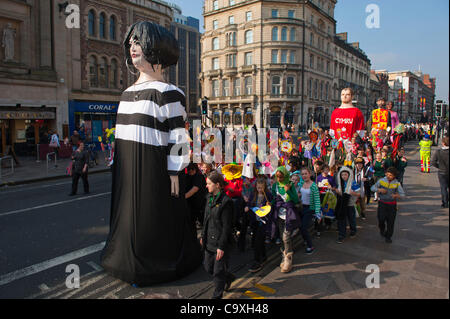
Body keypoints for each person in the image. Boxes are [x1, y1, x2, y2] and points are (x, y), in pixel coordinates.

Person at [101, 21, 202, 286]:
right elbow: (122, 135)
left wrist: (175, 171)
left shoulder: (170, 93)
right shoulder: (125, 93)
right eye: (131, 42)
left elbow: (179, 136)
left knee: (154, 215)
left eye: (139, 41)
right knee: (130, 215)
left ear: (156, 49)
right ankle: (127, 258)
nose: (133, 47)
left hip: (154, 166)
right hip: (128, 165)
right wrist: (118, 163)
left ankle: (159, 263)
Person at [201, 170, 236, 299]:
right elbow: (206, 219)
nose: (206, 186)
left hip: (221, 243)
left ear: (217, 185)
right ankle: (229, 277)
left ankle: (217, 296)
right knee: (208, 268)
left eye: (209, 183)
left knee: (217, 272)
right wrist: (203, 236)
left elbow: (227, 227)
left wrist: (221, 246)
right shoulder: (209, 198)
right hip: (209, 241)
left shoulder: (226, 202)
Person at [271, 166, 301, 273]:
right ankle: (284, 256)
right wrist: (270, 203)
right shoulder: (275, 186)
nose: (279, 179)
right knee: (281, 236)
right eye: (277, 177)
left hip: (288, 214)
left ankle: (288, 259)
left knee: (285, 237)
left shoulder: (290, 185)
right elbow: (274, 198)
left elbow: (296, 199)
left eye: (281, 177)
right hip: (279, 215)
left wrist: (288, 191)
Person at [371, 167, 406, 243]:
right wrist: (379, 190)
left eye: (390, 175)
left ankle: (388, 236)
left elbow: (403, 195)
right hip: (382, 203)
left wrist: (396, 196)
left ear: (394, 176)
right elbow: (372, 188)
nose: (388, 176)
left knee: (391, 222)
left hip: (392, 205)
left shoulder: (397, 183)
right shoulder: (381, 181)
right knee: (381, 219)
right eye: (388, 174)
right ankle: (382, 228)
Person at [245, 178, 273, 273]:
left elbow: (272, 205)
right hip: (255, 221)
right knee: (258, 241)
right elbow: (249, 203)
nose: (259, 189)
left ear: (265, 187)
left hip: (263, 222)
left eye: (261, 188)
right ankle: (264, 256)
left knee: (258, 241)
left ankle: (257, 261)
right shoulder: (254, 194)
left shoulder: (268, 195)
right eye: (258, 187)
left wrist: (269, 205)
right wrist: (247, 207)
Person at [298, 167, 321, 253]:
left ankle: (310, 246)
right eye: (302, 174)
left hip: (309, 209)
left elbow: (317, 200)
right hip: (301, 208)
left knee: (304, 227)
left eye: (306, 174)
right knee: (300, 227)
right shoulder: (301, 184)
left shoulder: (314, 186)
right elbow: (299, 193)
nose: (304, 176)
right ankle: (305, 240)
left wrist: (318, 213)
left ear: (310, 174)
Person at [335, 166, 360, 243]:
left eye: (345, 174)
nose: (344, 176)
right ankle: (341, 234)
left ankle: (353, 230)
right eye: (342, 175)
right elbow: (338, 191)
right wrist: (338, 192)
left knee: (351, 218)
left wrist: (352, 193)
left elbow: (359, 194)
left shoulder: (353, 182)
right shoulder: (340, 182)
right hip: (342, 204)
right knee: (342, 219)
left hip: (350, 204)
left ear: (349, 175)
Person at [185, 163, 207, 232]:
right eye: (189, 169)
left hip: (200, 203)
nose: (190, 171)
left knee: (202, 222)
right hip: (191, 204)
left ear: (195, 169)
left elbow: (195, 189)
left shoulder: (199, 176)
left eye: (192, 169)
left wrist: (183, 197)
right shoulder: (187, 177)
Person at [431, 136, 449, 208]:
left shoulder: (438, 151)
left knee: (443, 187)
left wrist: (439, 167)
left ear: (443, 143)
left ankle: (445, 202)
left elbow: (433, 162)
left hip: (442, 171)